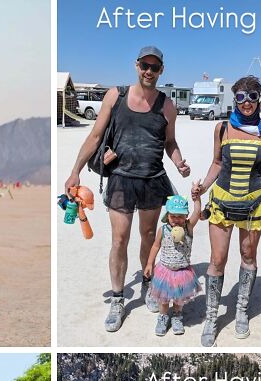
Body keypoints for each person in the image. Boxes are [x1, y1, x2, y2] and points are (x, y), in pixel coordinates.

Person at [64, 46, 191, 332]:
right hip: (121, 180)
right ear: (137, 66)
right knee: (119, 239)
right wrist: (75, 171)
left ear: (161, 71)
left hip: (152, 180)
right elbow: (95, 136)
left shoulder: (167, 106)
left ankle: (147, 282)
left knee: (148, 235)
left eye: (154, 67)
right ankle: (118, 299)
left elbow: (170, 142)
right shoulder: (116, 96)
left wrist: (179, 162)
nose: (149, 71)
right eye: (145, 65)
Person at [192, 76, 261, 345]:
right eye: (241, 97)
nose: (246, 102)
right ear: (235, 99)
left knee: (248, 255)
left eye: (252, 96)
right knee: (217, 259)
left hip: (255, 204)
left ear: (259, 99)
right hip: (222, 201)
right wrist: (203, 188)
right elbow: (217, 163)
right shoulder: (221, 129)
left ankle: (241, 311)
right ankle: (211, 317)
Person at [144, 193, 202, 336]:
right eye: (173, 216)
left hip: (182, 271)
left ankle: (177, 316)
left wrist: (197, 199)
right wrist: (150, 263)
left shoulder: (188, 227)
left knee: (178, 299)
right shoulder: (163, 230)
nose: (176, 219)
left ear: (186, 216)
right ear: (167, 215)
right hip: (165, 270)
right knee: (163, 299)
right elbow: (155, 246)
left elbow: (197, 213)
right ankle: (163, 317)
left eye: (180, 216)